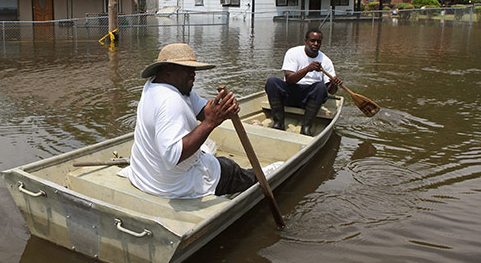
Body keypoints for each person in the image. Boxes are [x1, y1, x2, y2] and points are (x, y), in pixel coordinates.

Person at [128, 43, 256, 199]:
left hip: (144, 178)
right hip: (173, 186)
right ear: (169, 70)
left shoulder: (157, 85)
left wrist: (222, 111)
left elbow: (203, 111)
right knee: (230, 169)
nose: (193, 74)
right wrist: (210, 123)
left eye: (193, 69)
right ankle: (262, 177)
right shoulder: (170, 101)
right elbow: (172, 156)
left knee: (210, 156)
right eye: (188, 69)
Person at [265, 28, 343, 135]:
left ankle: (306, 127)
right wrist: (307, 69)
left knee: (320, 87)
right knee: (272, 82)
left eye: (318, 42)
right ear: (305, 41)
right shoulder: (293, 52)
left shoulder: (326, 61)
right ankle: (278, 123)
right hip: (290, 93)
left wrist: (334, 84)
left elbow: (331, 92)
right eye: (312, 41)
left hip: (309, 99)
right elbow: (289, 79)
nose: (315, 44)